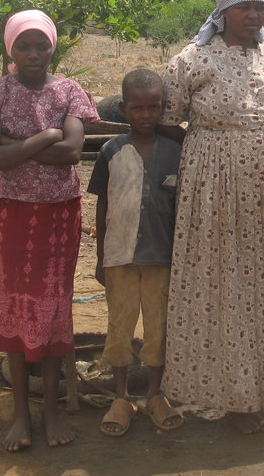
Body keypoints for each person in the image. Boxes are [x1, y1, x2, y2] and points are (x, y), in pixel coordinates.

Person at [160, 0, 264, 434]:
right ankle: (228, 395)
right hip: (213, 186)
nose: (253, 14)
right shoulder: (191, 60)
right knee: (220, 281)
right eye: (244, 6)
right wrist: (213, 147)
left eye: (260, 5)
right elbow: (168, 119)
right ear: (223, 9)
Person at [0, 9, 98, 451]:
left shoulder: (70, 92)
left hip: (61, 215)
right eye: (24, 45)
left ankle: (51, 410)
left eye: (41, 45)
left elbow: (73, 151)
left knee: (54, 306)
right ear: (10, 49)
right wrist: (45, 138)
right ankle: (21, 414)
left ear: (53, 46)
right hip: (15, 216)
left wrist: (17, 146)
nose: (33, 53)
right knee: (18, 306)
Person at [87, 69, 183, 437]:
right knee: (120, 327)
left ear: (163, 108)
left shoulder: (176, 151)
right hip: (120, 258)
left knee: (158, 328)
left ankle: (156, 395)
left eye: (154, 107)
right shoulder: (111, 151)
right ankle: (121, 397)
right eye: (138, 108)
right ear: (123, 109)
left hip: (162, 257)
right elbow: (102, 205)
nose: (146, 115)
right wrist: (100, 257)